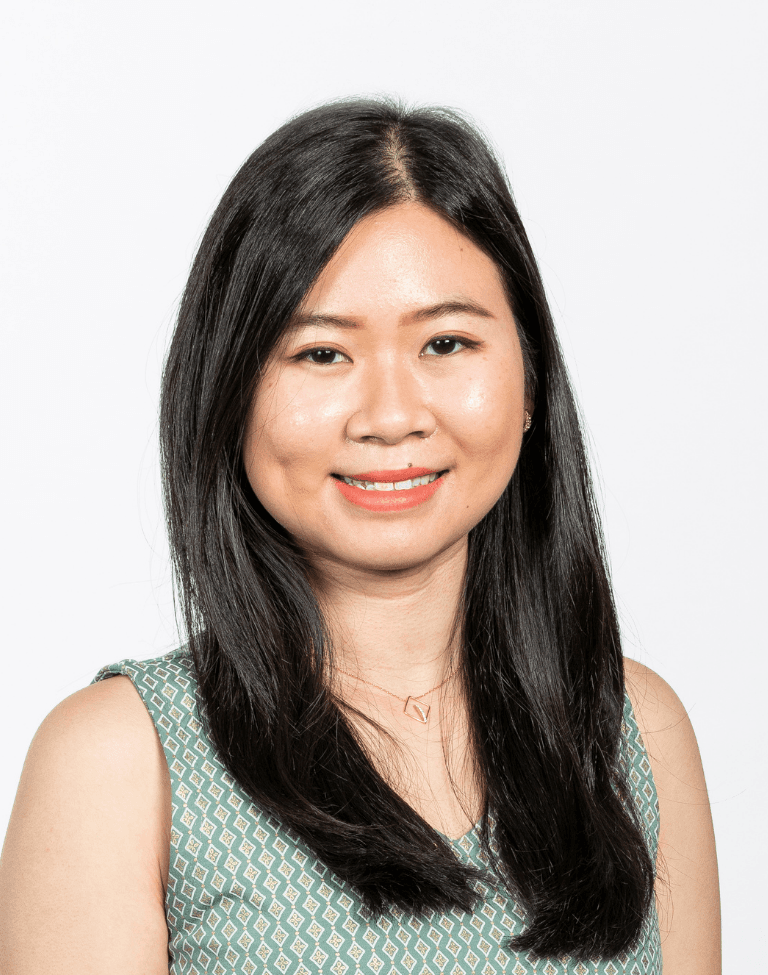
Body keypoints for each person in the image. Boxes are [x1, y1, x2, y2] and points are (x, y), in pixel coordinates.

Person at [0, 99, 720, 974]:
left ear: (531, 381)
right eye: (322, 354)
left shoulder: (632, 730)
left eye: (446, 343)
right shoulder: (119, 762)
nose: (390, 415)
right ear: (229, 394)